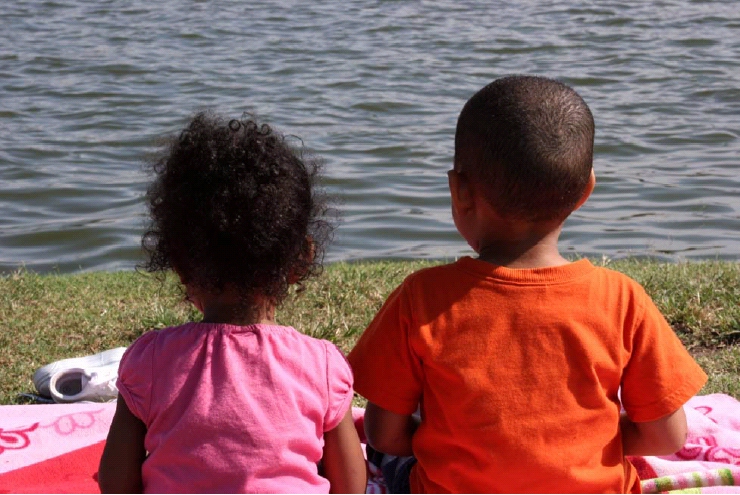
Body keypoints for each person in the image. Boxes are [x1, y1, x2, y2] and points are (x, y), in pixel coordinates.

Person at [348, 75, 708, 493]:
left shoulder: (421, 298)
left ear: (460, 191)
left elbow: (384, 434)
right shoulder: (622, 299)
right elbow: (666, 436)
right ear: (585, 191)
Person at [98, 112, 367, 493]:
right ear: (301, 261)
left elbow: (116, 484)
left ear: (179, 265)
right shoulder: (321, 366)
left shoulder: (151, 361)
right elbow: (351, 487)